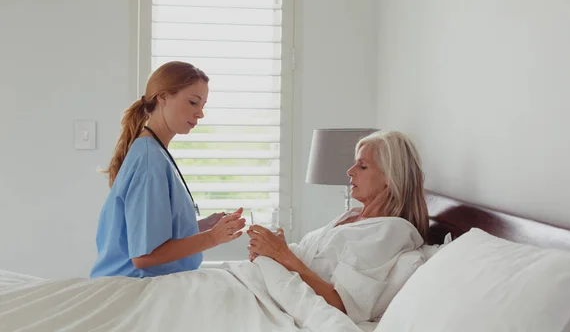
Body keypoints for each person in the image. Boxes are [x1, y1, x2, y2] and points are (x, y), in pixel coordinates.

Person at [247, 130, 429, 323]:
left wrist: (281, 254)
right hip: (259, 285)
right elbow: (313, 262)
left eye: (363, 166)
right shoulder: (353, 215)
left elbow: (342, 303)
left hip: (274, 304)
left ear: (390, 178)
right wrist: (277, 250)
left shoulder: (389, 233)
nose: (350, 171)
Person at [91, 61, 246, 279]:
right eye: (193, 102)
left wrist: (202, 226)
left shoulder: (153, 151)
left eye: (203, 105)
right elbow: (145, 256)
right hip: (132, 290)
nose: (200, 113)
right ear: (162, 97)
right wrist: (213, 237)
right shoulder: (149, 160)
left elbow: (154, 238)